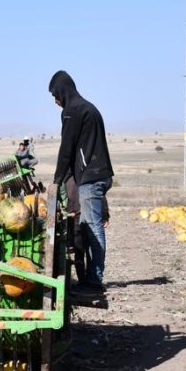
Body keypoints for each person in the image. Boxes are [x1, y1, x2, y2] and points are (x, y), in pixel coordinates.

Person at [50, 70, 114, 293]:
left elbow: (66, 149)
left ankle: (95, 280)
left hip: (91, 177)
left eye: (55, 96)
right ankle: (90, 278)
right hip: (99, 173)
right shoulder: (87, 107)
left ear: (62, 92)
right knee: (87, 226)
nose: (55, 102)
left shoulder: (73, 111)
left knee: (93, 227)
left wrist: (56, 181)